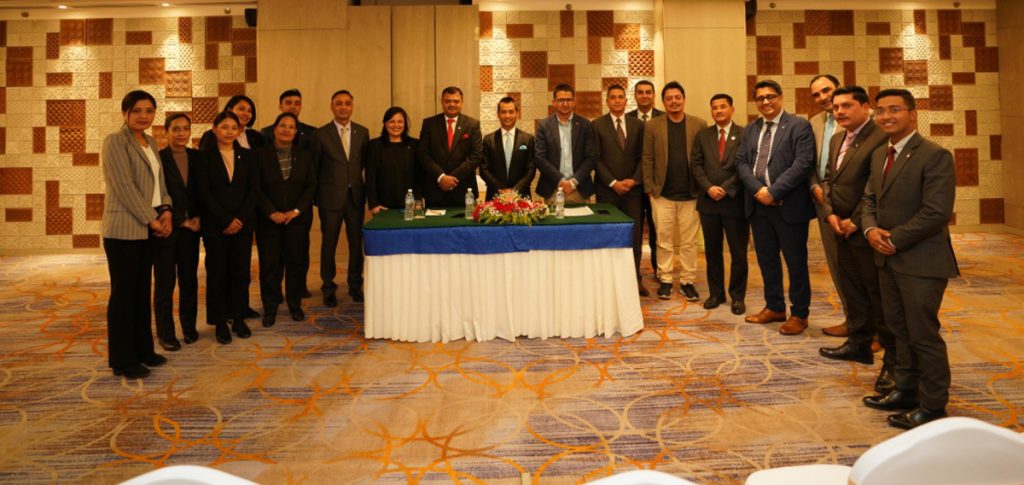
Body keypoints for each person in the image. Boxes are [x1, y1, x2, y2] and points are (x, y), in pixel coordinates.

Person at [860, 88, 958, 430]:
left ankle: (933, 405)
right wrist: (870, 230)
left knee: (923, 334)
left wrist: (893, 239)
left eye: (894, 110)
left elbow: (936, 212)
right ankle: (905, 389)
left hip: (921, 261)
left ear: (912, 114)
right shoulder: (879, 154)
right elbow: (869, 200)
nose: (886, 116)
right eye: (881, 110)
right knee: (898, 330)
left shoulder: (934, 155)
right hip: (887, 259)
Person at [817, 86, 892, 371]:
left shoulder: (880, 137)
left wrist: (856, 220)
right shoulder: (837, 138)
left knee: (875, 291)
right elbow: (828, 180)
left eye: (846, 106)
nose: (839, 112)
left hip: (865, 229)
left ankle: (890, 354)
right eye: (836, 107)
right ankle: (858, 345)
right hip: (839, 227)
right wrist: (830, 214)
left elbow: (876, 186)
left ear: (864, 107)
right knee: (853, 290)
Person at [735, 79, 816, 335]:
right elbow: (741, 163)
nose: (766, 102)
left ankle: (800, 314)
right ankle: (774, 307)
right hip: (759, 207)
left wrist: (774, 192)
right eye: (760, 98)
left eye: (770, 96)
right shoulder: (751, 129)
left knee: (796, 262)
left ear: (780, 97)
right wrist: (759, 191)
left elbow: (803, 163)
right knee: (767, 260)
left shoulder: (798, 126)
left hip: (788, 206)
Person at [101, 90, 172, 379]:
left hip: (148, 227)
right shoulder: (115, 142)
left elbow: (160, 183)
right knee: (124, 295)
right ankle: (122, 359)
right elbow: (124, 186)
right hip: (124, 229)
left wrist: (166, 209)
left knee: (142, 292)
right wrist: (152, 220)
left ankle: (143, 350)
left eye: (149, 111)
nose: (143, 116)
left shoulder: (151, 142)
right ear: (125, 113)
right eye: (137, 110)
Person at [641, 81, 708, 301]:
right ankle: (666, 280)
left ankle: (688, 281)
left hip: (691, 195)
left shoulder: (699, 124)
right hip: (662, 195)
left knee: (689, 243)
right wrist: (650, 189)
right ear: (663, 102)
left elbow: (705, 158)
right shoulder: (653, 126)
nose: (674, 101)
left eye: (677, 97)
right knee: (663, 241)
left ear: (684, 99)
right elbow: (647, 158)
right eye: (669, 98)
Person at [198, 94, 263, 320]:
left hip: (243, 223)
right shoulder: (204, 156)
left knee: (241, 273)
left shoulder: (248, 155)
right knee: (217, 273)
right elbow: (204, 192)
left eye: (233, 128)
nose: (229, 131)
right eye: (224, 127)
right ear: (214, 129)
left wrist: (240, 218)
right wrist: (225, 219)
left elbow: (254, 189)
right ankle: (219, 320)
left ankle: (239, 315)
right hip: (216, 224)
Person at [255, 113, 316, 327]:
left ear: (296, 131)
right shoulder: (260, 155)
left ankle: (294, 305)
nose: (286, 130)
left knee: (295, 264)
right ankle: (270, 308)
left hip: (296, 220)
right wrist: (271, 212)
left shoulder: (305, 155)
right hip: (268, 221)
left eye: (291, 127)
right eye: (282, 125)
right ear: (274, 129)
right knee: (270, 266)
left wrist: (296, 211)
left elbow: (311, 186)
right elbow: (255, 187)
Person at [689, 93, 748, 315]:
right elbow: (696, 165)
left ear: (732, 109)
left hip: (734, 202)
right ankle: (716, 293)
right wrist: (709, 188)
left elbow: (745, 165)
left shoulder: (744, 134)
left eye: (723, 106)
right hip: (709, 203)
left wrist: (726, 188)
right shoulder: (702, 135)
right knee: (712, 252)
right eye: (714, 107)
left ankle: (737, 296)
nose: (719, 111)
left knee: (738, 253)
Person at [312, 90, 369, 306]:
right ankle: (328, 288)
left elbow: (363, 163)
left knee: (356, 244)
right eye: (339, 104)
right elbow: (315, 168)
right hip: (330, 199)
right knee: (329, 245)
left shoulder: (362, 132)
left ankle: (355, 285)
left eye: (347, 103)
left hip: (355, 198)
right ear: (332, 106)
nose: (343, 107)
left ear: (352, 106)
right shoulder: (321, 134)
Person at [154, 113, 203, 350]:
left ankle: (189, 328)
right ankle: (166, 334)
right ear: (166, 132)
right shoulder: (158, 158)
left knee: (189, 281)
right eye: (176, 129)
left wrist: (199, 217)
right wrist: (180, 220)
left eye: (185, 128)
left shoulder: (197, 157)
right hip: (166, 229)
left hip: (192, 230)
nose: (181, 133)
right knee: (165, 284)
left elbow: (204, 191)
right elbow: (154, 194)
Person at [593, 84, 647, 296]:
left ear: (626, 100)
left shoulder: (638, 125)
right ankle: (608, 281)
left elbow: (644, 157)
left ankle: (635, 279)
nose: (617, 100)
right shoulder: (597, 125)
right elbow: (595, 159)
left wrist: (633, 180)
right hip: (607, 192)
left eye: (620, 97)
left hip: (633, 192)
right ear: (607, 101)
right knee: (608, 235)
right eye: (612, 97)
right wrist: (613, 182)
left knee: (634, 237)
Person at [807, 74, 850, 338]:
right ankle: (851, 318)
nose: (822, 97)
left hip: (853, 202)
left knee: (861, 267)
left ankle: (875, 327)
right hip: (823, 200)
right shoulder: (814, 123)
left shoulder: (860, 120)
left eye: (827, 90)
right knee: (836, 263)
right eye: (816, 94)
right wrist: (815, 188)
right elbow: (809, 162)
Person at [417, 86, 483, 207]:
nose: (452, 104)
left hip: (464, 191)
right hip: (435, 190)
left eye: (456, 101)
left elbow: (476, 156)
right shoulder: (429, 124)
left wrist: (452, 178)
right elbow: (423, 154)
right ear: (442, 102)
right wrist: (441, 177)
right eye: (448, 101)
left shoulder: (472, 125)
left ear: (462, 102)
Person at [535, 83, 598, 203]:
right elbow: (540, 158)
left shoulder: (585, 125)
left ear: (574, 102)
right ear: (554, 102)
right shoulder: (544, 125)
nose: (565, 103)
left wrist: (574, 181)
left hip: (580, 189)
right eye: (561, 100)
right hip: (553, 189)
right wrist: (561, 181)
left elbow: (591, 157)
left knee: (583, 216)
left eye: (568, 100)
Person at [628, 80, 664, 275]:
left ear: (654, 95)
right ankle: (634, 273)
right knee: (634, 232)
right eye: (640, 92)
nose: (644, 96)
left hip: (657, 186)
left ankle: (660, 271)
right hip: (632, 186)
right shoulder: (626, 118)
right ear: (635, 96)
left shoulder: (664, 118)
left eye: (648, 92)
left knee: (657, 231)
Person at [479, 97, 535, 201]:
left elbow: (531, 170)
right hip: (495, 196)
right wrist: (501, 189)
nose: (507, 116)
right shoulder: (488, 139)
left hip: (521, 197)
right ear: (498, 114)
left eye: (511, 112)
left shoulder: (528, 139)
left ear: (517, 114)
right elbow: (484, 169)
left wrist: (515, 191)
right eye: (503, 112)